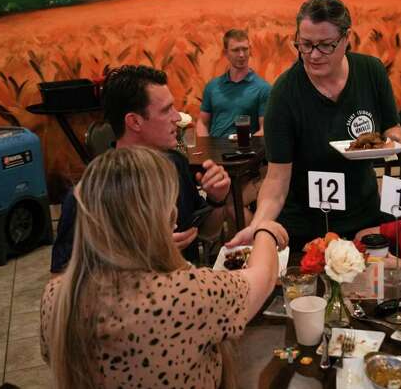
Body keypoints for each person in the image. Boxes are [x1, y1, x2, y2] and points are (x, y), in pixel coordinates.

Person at [41, 146, 289, 389]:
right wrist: (265, 230)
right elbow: (262, 278)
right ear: (156, 216)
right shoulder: (187, 294)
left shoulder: (57, 297)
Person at [227, 0, 401, 251]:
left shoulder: (372, 72)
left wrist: (392, 143)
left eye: (325, 45)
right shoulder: (285, 93)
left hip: (363, 219)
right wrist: (259, 226)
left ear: (346, 39)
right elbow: (276, 180)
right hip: (305, 228)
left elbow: (393, 128)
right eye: (305, 44)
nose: (313, 55)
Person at [50, 65, 231, 273]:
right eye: (166, 110)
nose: (177, 117)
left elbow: (207, 232)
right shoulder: (89, 194)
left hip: (183, 296)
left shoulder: (175, 164)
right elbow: (60, 278)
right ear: (134, 121)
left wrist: (218, 200)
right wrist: (145, 254)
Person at [197, 28, 272, 138]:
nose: (241, 55)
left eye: (245, 49)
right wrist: (206, 146)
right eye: (236, 50)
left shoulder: (263, 89)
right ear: (225, 53)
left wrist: (246, 143)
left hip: (246, 151)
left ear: (250, 50)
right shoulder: (212, 87)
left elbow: (265, 129)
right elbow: (202, 123)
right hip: (215, 153)